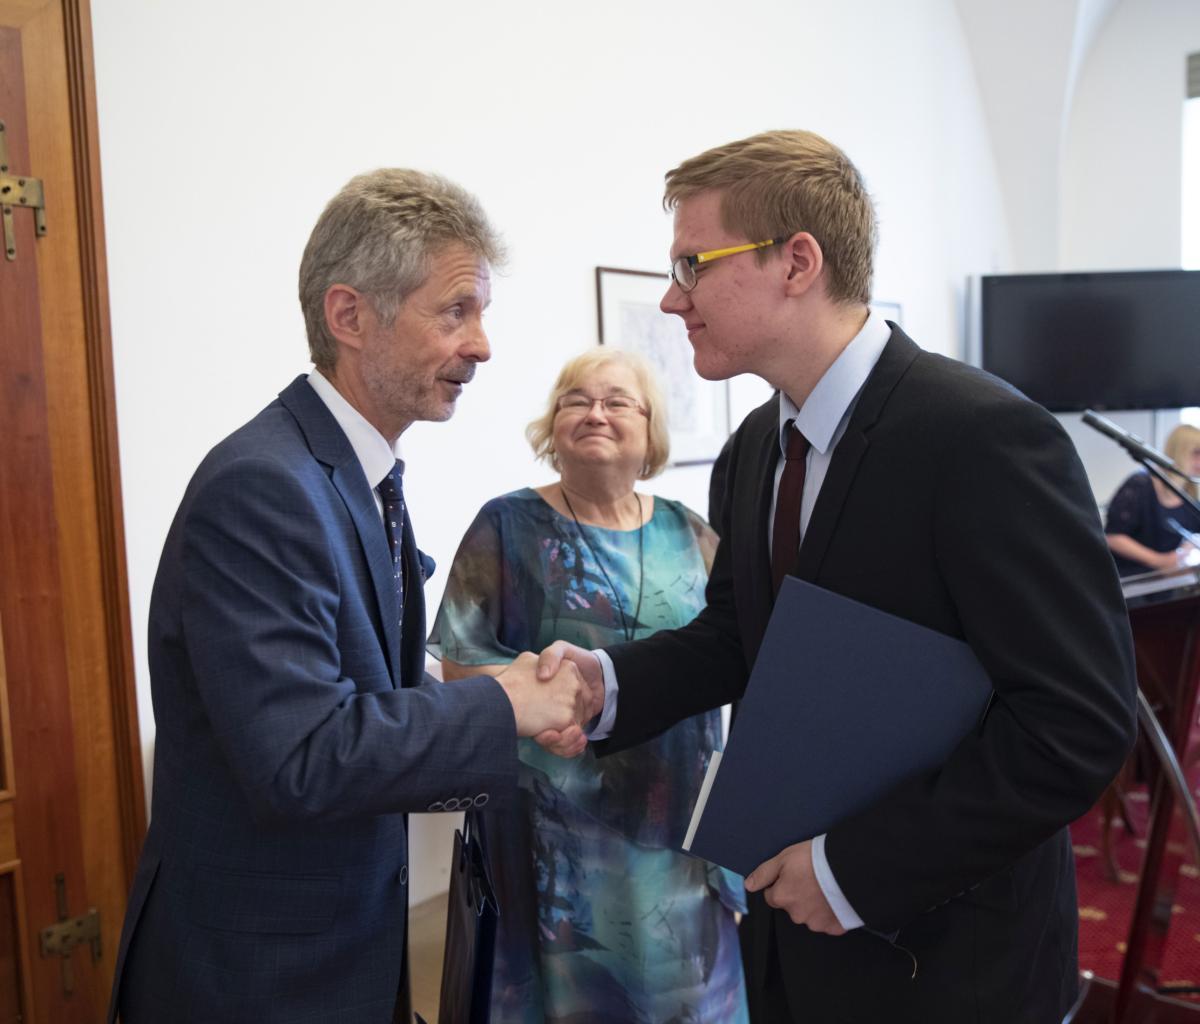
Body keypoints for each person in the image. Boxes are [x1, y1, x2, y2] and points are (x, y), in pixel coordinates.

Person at [537, 130, 1137, 1023]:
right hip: (791, 947)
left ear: (797, 262)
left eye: (694, 265)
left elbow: (1075, 725)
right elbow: (747, 639)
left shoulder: (980, 438)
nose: (671, 298)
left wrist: (854, 870)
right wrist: (609, 682)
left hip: (951, 961)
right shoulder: (752, 451)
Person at [107, 169, 593, 1024]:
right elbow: (302, 756)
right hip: (255, 982)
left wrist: (493, 697)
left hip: (345, 959)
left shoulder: (357, 476)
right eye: (455, 311)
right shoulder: (262, 487)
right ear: (348, 316)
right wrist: (500, 706)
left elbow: (366, 700)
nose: (482, 346)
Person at [430, 348, 749, 1023]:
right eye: (576, 399)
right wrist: (540, 706)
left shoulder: (692, 535)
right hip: (551, 848)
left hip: (678, 843)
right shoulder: (505, 525)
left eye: (615, 400)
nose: (594, 412)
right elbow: (459, 665)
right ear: (553, 424)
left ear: (650, 427)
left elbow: (735, 655)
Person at [1104, 423, 1200, 575]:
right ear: (1180, 452)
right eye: (1196, 453)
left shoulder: (1191, 489)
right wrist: (1160, 561)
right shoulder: (1140, 484)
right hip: (1134, 580)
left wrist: (1189, 547)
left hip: (1168, 582)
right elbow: (1113, 537)